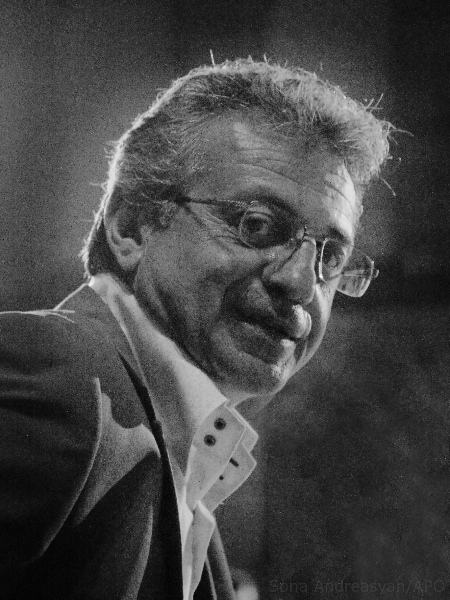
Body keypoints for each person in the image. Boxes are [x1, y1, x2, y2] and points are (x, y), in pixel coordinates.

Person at [0, 58, 391, 599]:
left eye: (331, 258)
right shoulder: (58, 379)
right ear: (131, 225)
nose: (301, 283)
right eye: (257, 224)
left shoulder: (177, 468)